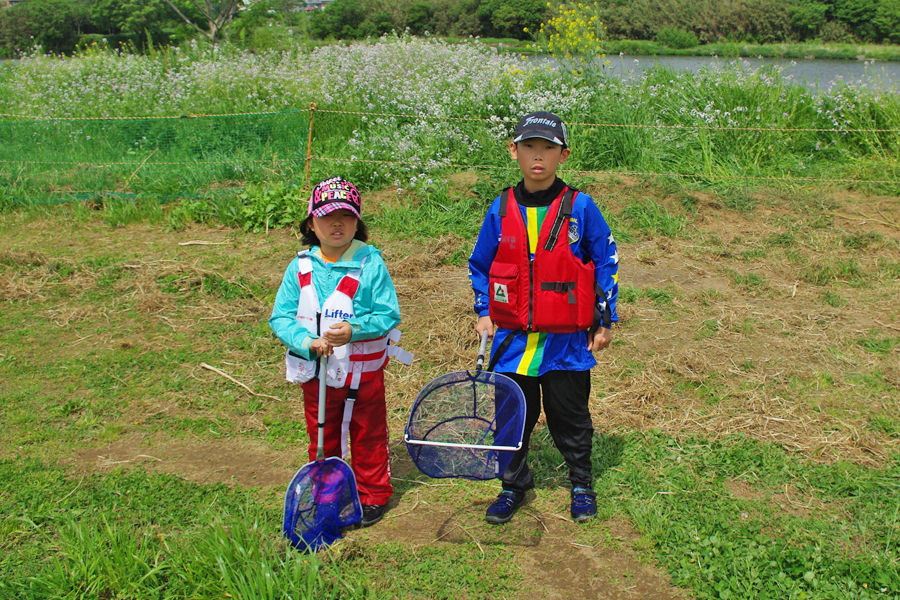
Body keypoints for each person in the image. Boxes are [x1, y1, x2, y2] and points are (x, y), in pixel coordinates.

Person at [468, 111, 619, 524]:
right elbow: (481, 265)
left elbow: (605, 260)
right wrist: (484, 311)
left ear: (563, 155)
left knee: (570, 417)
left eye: (548, 148)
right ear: (513, 151)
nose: (539, 157)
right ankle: (513, 484)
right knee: (513, 417)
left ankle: (582, 483)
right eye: (530, 147)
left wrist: (605, 321)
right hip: (512, 342)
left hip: (565, 343)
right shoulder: (500, 208)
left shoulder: (581, 207)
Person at [270, 177, 411, 528]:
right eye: (328, 216)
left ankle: (373, 494)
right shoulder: (300, 268)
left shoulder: (371, 264)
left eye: (347, 217)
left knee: (369, 432)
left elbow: (388, 313)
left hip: (362, 374)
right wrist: (306, 342)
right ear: (310, 224)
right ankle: (326, 491)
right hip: (316, 373)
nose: (337, 224)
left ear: (357, 223)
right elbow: (282, 317)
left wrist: (355, 329)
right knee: (321, 432)